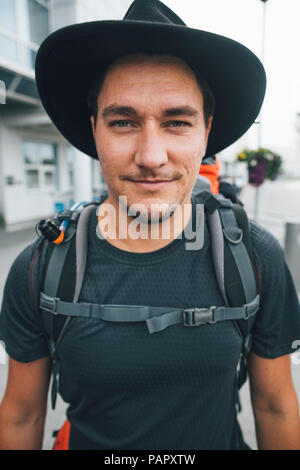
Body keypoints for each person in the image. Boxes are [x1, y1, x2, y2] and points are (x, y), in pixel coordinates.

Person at [0, 0, 300, 451]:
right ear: (94, 131)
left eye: (177, 122)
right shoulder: (40, 268)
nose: (151, 156)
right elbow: (22, 414)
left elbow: (276, 406)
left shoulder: (255, 258)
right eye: (123, 122)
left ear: (206, 133)